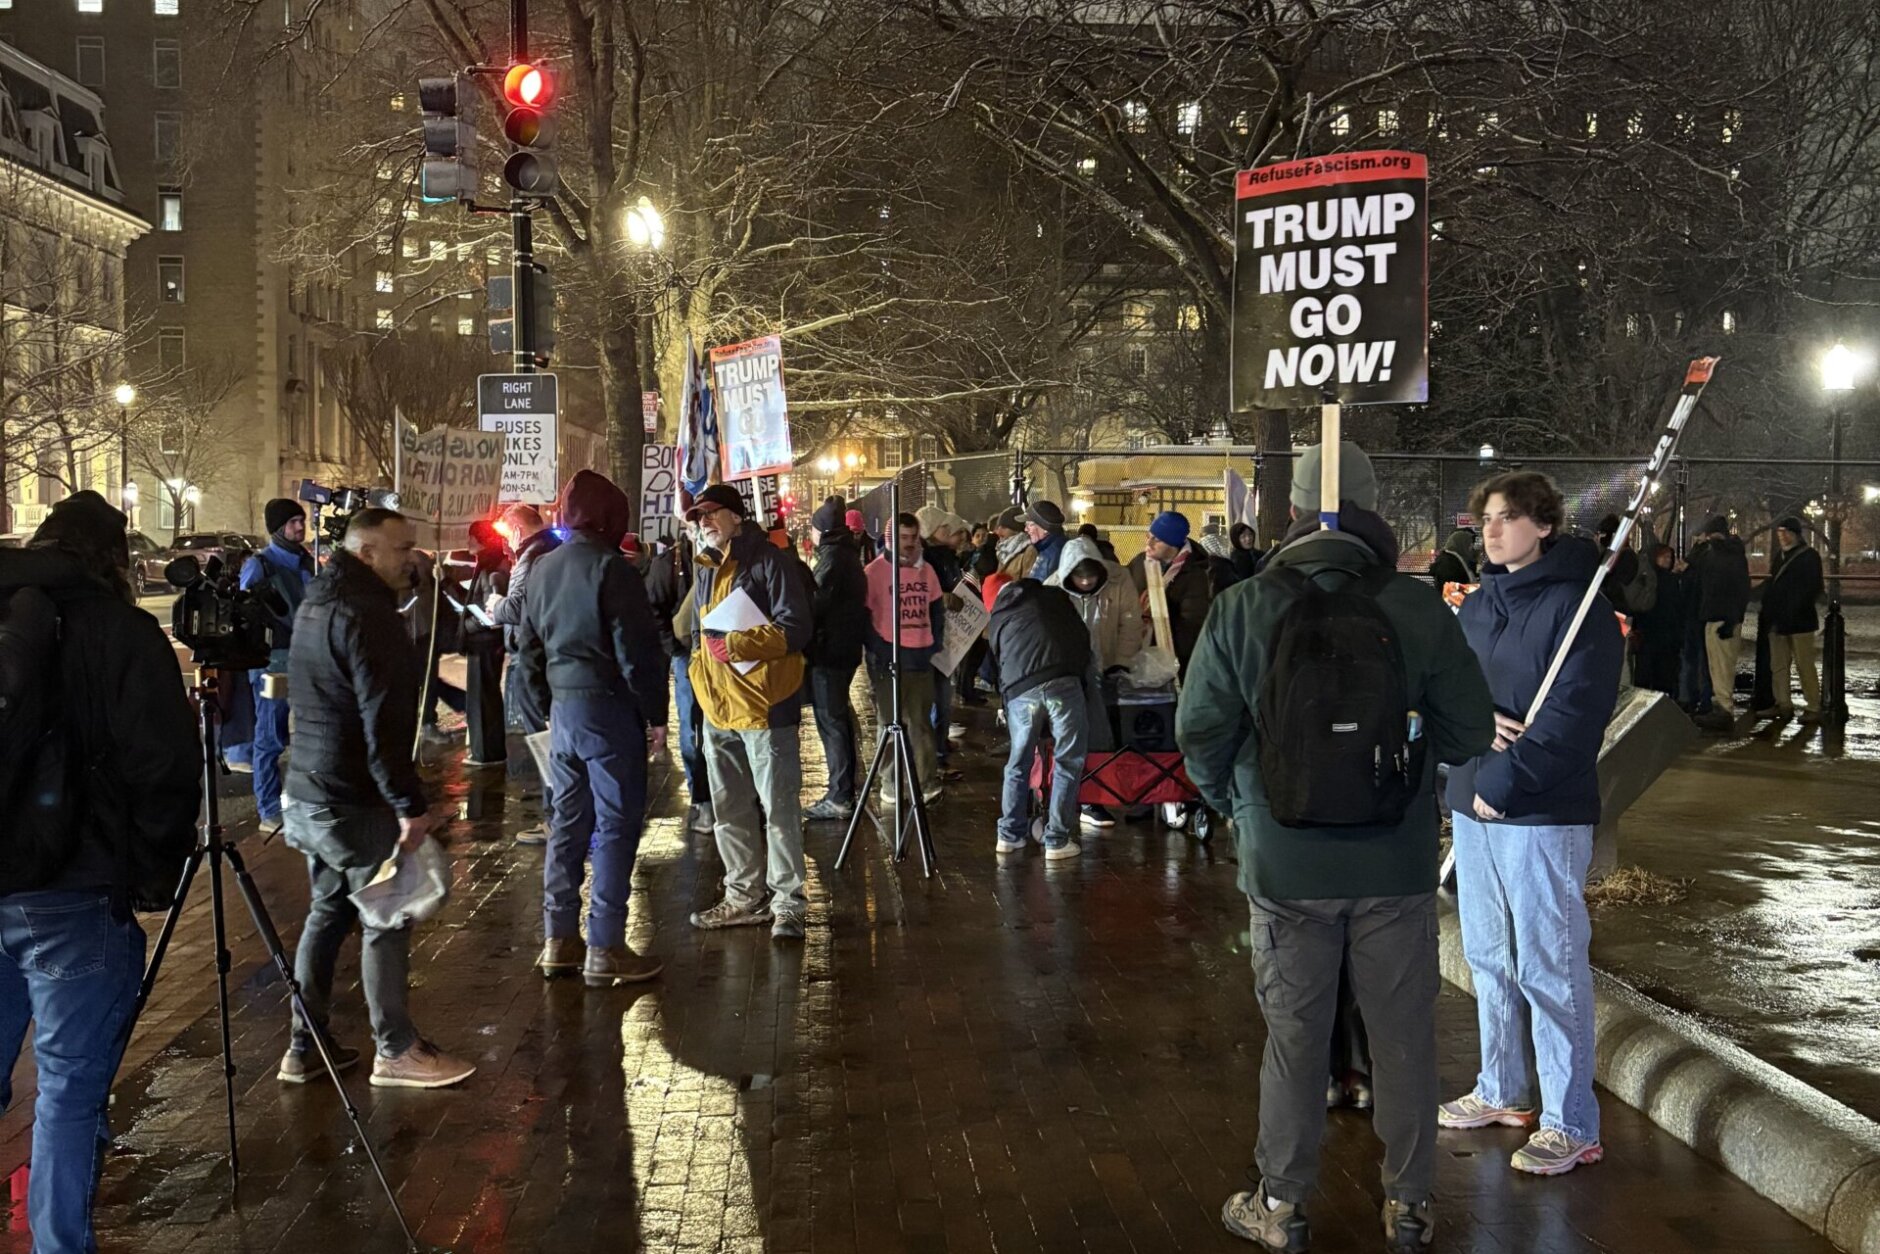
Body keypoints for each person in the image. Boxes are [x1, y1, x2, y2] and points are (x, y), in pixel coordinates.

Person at [1175, 442, 1495, 1253]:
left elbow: (1200, 733)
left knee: (1294, 1040)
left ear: (1294, 511)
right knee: (1403, 1040)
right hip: (1395, 864)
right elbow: (1470, 732)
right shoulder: (1418, 607)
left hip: (1284, 866)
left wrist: (1243, 810)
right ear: (1372, 508)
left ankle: (1281, 1206)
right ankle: (1410, 1205)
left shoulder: (1243, 606)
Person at [1, 491, 200, 1254]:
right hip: (73, 889)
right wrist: (152, 872)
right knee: (69, 1091)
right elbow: (162, 769)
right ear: (114, 557)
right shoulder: (120, 630)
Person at [1442, 470, 1623, 1179]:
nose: (1491, 530)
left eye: (1508, 517)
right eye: (1485, 518)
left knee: (1550, 966)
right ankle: (1502, 1088)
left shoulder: (1580, 610)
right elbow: (1449, 687)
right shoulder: (1479, 604)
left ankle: (1570, 1121)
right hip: (1473, 804)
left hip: (1540, 813)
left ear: (1544, 525)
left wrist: (1506, 783)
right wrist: (1470, 729)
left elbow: (1573, 718)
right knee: (1488, 955)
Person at [282, 507, 475, 1088]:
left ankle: (305, 1046)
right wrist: (408, 805)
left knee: (328, 910)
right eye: (401, 549)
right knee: (387, 912)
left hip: (311, 788)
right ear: (366, 552)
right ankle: (396, 1050)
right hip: (354, 796)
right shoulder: (369, 614)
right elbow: (383, 723)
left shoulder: (318, 601)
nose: (411, 559)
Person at [516, 471, 670, 984]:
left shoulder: (541, 567)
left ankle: (559, 937)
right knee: (616, 824)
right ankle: (605, 943)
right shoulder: (613, 570)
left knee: (567, 823)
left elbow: (528, 650)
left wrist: (545, 707)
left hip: (563, 712)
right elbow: (637, 652)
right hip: (608, 709)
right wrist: (655, 715)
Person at [685, 484, 816, 942]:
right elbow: (700, 632)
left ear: (737, 517)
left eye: (712, 513)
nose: (704, 522)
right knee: (729, 810)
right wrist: (700, 673)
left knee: (779, 810)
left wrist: (736, 645)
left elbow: (796, 628)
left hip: (764, 708)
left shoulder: (770, 561)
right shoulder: (705, 566)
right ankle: (744, 897)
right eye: (698, 516)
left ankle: (788, 904)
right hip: (719, 709)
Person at [988, 577, 1093, 860]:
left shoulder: (1000, 614)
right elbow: (1082, 639)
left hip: (1021, 691)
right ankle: (1056, 840)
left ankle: (1009, 836)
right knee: (1068, 760)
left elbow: (998, 660)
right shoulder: (1055, 599)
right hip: (1062, 682)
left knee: (1018, 762)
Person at [1049, 534, 1142, 827]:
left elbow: (1130, 623)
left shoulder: (1119, 579)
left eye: (1091, 576)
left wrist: (1122, 661)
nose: (1087, 582)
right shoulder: (1052, 589)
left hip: (1105, 667)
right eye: (1080, 577)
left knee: (1100, 735)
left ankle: (1093, 797)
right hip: (1066, 673)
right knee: (1069, 736)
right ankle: (1066, 799)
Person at [240, 498, 316, 835]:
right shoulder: (260, 566)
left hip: (307, 658)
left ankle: (306, 802)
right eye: (292, 522)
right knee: (269, 737)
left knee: (312, 735)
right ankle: (269, 810)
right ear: (277, 528)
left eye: (301, 520)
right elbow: (244, 615)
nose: (300, 527)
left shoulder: (308, 562)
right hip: (273, 664)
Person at [863, 513, 948, 808]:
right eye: (903, 537)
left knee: (920, 722)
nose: (910, 544)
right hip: (888, 658)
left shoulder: (927, 571)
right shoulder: (874, 572)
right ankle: (890, 781)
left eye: (913, 537)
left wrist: (934, 643)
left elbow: (936, 609)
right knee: (889, 723)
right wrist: (881, 648)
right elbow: (864, 616)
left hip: (920, 656)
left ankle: (925, 781)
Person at [490, 503, 563, 844]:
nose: (507, 542)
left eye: (507, 534)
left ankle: (555, 818)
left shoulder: (531, 557)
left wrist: (496, 607)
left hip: (533, 660)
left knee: (544, 742)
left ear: (517, 529)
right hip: (550, 657)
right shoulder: (555, 550)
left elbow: (519, 607)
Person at [805, 496, 869, 821]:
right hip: (844, 649)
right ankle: (846, 787)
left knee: (831, 721)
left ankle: (840, 794)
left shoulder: (832, 558)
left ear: (822, 530)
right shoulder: (847, 554)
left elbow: (818, 603)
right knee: (838, 718)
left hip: (830, 652)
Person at [645, 530, 713, 833]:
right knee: (692, 728)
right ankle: (702, 799)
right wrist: (674, 648)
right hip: (688, 655)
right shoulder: (670, 563)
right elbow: (654, 609)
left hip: (726, 656)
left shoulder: (734, 556)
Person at [1126, 510, 1217, 679]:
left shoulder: (1197, 573)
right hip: (1137, 652)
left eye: (1157, 539)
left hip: (1177, 661)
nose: (1149, 543)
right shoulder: (1139, 563)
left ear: (1173, 544)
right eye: (1148, 536)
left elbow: (1193, 625)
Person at [1756, 516, 1824, 721]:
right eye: (1780, 532)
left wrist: (1790, 607)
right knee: (1779, 665)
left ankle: (1813, 706)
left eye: (1786, 532)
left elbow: (1812, 588)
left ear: (1796, 534)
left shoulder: (1809, 556)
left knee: (1804, 665)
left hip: (1799, 620)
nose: (1782, 536)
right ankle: (1783, 703)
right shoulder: (1782, 556)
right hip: (1780, 620)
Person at [1687, 513, 1751, 728]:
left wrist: (1731, 620)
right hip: (1716, 615)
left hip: (1721, 617)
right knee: (1717, 666)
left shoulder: (1723, 556)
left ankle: (1724, 708)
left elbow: (1738, 590)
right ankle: (1721, 706)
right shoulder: (1724, 555)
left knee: (1721, 666)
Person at [460, 518, 511, 769]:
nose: (468, 542)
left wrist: (468, 625)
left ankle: (486, 753)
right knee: (484, 696)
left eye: (471, 537)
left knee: (483, 698)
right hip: (484, 643)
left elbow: (491, 613)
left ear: (480, 540)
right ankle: (487, 750)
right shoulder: (487, 564)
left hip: (484, 643)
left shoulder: (492, 570)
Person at [1630, 544, 1688, 697]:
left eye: (1669, 557)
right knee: (1659, 674)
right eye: (1664, 557)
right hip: (1655, 633)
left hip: (1659, 634)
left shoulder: (1653, 578)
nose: (1668, 560)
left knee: (1654, 673)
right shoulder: (1661, 580)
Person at [1594, 514, 1640, 616]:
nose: (1598, 537)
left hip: (1619, 611)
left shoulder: (1625, 556)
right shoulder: (1609, 554)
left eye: (1602, 534)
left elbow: (1617, 585)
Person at [1024, 500, 1068, 580]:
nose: (1026, 529)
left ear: (1045, 529)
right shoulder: (1045, 547)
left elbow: (1039, 584)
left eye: (1030, 525)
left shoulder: (1051, 554)